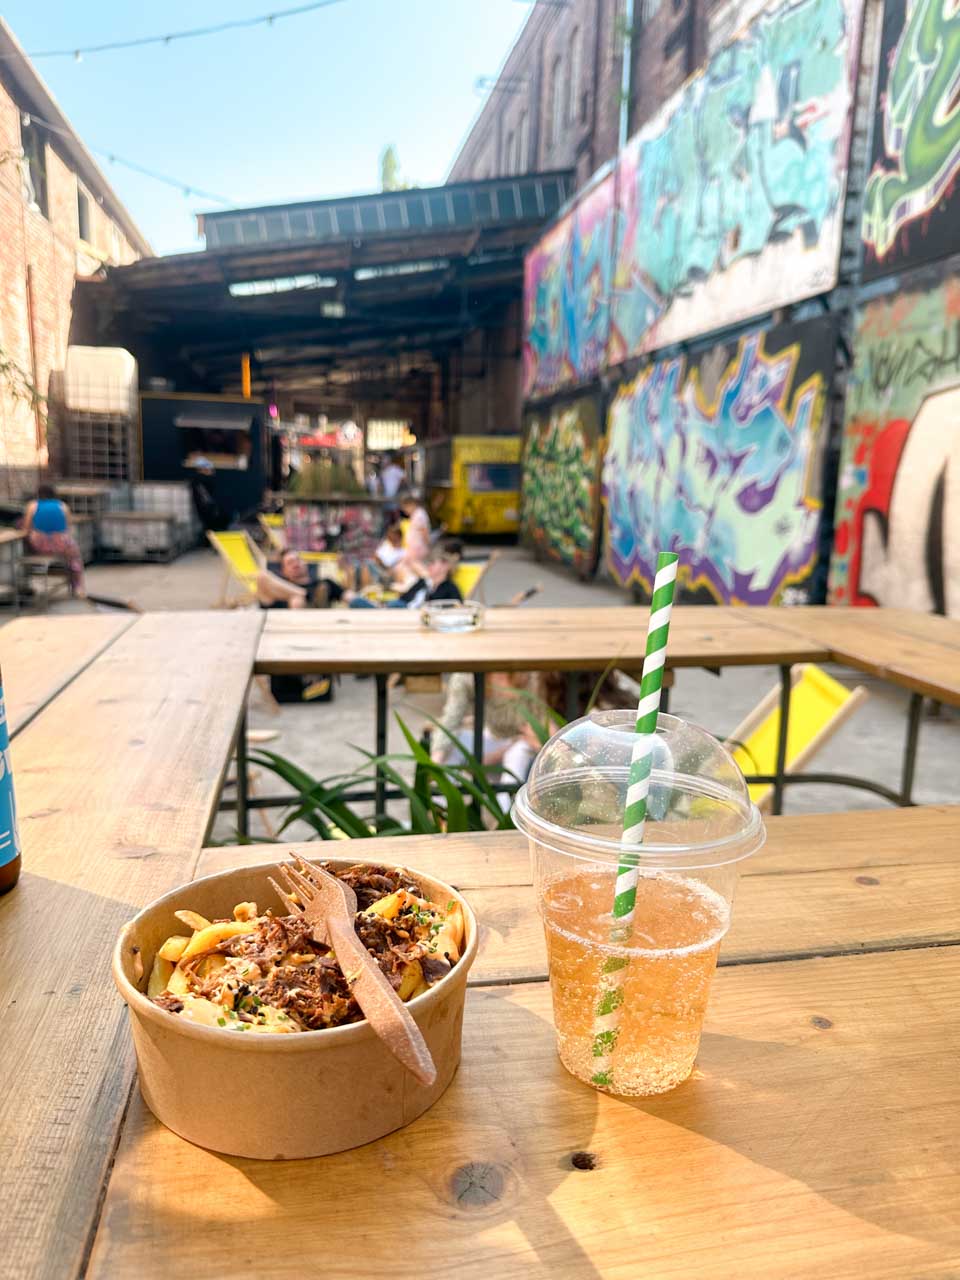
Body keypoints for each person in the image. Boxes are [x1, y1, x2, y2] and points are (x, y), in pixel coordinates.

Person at [431, 671, 548, 801]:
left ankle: (505, 815)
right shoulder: (467, 677)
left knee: (517, 753)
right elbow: (451, 719)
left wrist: (496, 755)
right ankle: (441, 811)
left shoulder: (530, 675)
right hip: (493, 739)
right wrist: (435, 763)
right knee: (451, 744)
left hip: (525, 746)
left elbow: (537, 727)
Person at [22, 484, 87, 598]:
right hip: (60, 545)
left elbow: (26, 529)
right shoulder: (63, 506)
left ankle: (24, 585)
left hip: (39, 545)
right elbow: (67, 527)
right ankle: (78, 587)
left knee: (25, 544)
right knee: (75, 558)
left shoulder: (33, 506)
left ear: (38, 495)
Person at [348, 549, 461, 609]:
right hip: (400, 610)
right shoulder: (423, 582)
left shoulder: (450, 588)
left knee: (394, 606)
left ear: (445, 566)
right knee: (356, 602)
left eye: (433, 563)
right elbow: (404, 597)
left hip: (413, 615)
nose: (429, 566)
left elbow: (457, 607)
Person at [257, 550, 344, 610]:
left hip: (326, 625)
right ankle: (309, 599)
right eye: (290, 562)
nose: (295, 564)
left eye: (297, 559)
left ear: (305, 562)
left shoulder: (324, 583)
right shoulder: (278, 591)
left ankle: (314, 606)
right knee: (296, 601)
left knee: (297, 600)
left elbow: (350, 597)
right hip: (290, 628)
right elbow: (262, 577)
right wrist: (303, 594)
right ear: (284, 571)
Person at [397, 491, 432, 565]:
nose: (405, 511)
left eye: (405, 508)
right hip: (414, 548)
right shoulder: (416, 514)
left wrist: (428, 545)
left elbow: (424, 532)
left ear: (411, 505)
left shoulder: (420, 515)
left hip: (418, 548)